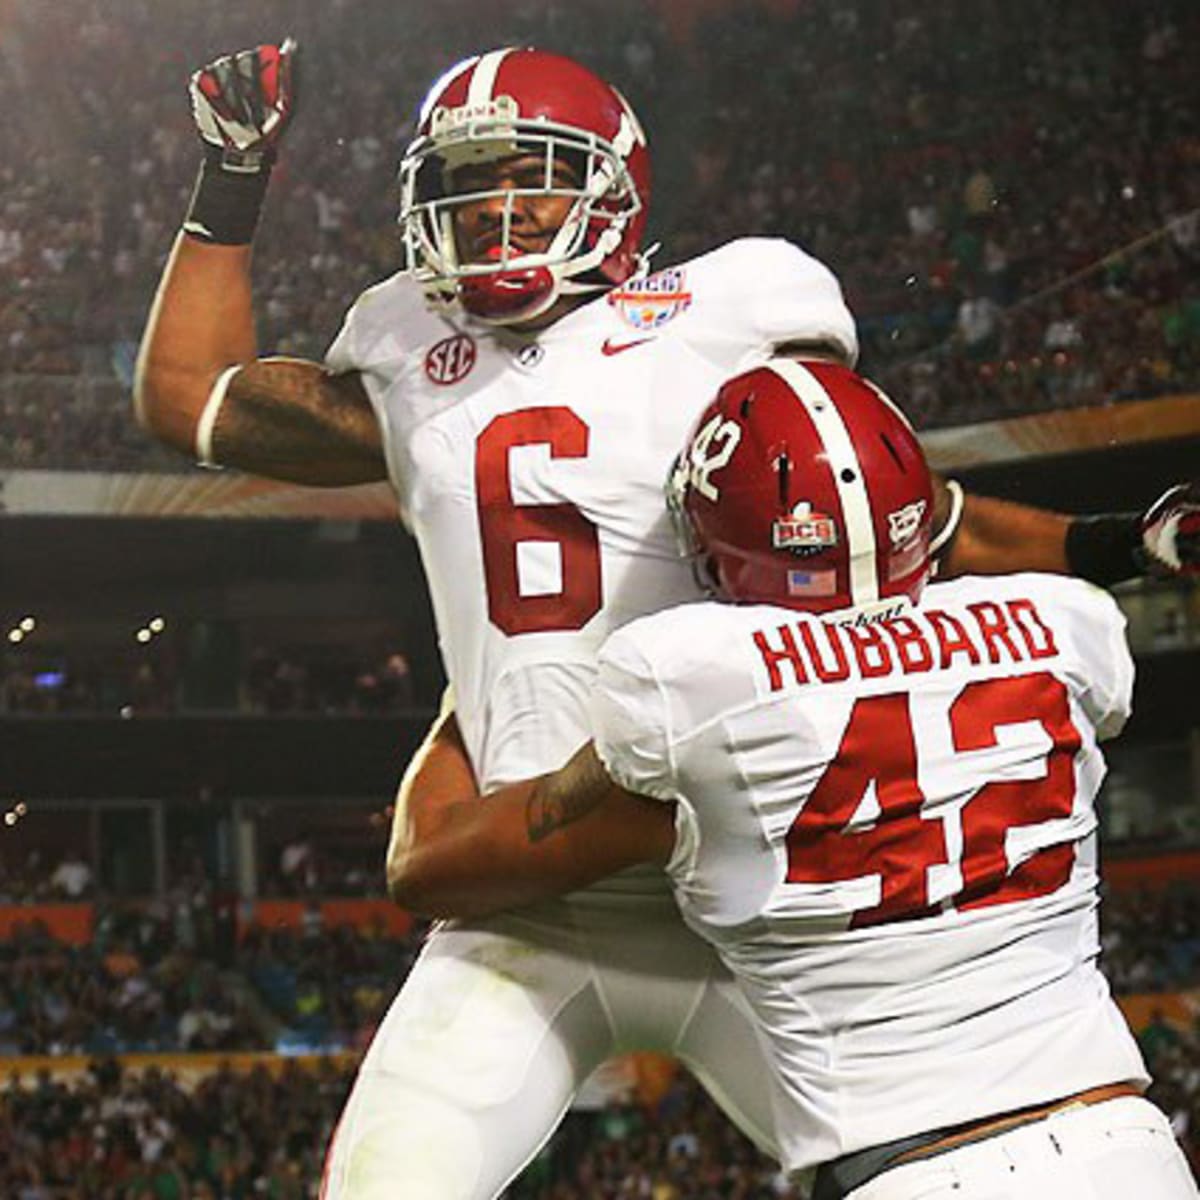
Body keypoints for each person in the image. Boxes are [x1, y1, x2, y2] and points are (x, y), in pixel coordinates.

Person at [134, 42, 1197, 1197]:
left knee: (926, 1166)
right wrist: (232, 178)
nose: (494, 210)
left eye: (527, 177)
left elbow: (886, 512)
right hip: (523, 901)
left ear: (613, 187)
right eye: (468, 182)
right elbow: (190, 400)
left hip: (748, 890)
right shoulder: (409, 355)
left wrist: (1115, 543)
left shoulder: (732, 308)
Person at [408, 358, 1199, 1199]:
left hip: (918, 1171)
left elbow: (429, 866)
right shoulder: (1068, 624)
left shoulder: (692, 683)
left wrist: (472, 693)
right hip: (1124, 1146)